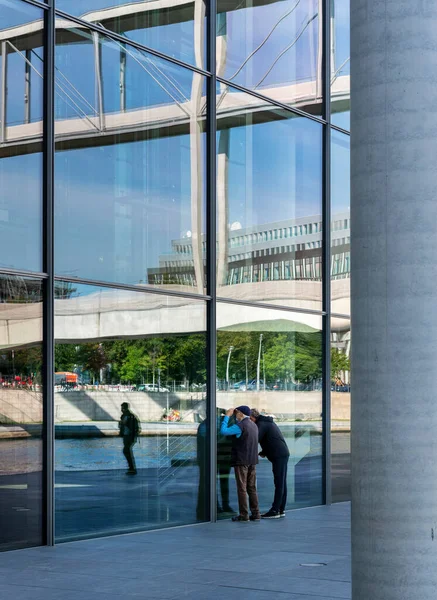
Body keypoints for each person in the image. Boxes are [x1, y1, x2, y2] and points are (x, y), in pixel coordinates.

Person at [220, 405, 260, 522]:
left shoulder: (240, 426)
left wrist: (226, 417)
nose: (235, 416)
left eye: (236, 413)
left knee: (241, 488)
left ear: (241, 414)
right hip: (252, 461)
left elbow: (224, 431)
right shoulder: (254, 425)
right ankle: (256, 513)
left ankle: (244, 515)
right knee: (251, 488)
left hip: (241, 461)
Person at [250, 408, 290, 518]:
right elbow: (271, 439)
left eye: (249, 420)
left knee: (279, 482)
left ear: (252, 418)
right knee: (281, 482)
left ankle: (275, 510)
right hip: (281, 453)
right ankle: (280, 509)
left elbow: (255, 438)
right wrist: (264, 451)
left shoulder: (261, 424)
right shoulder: (266, 422)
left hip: (279, 455)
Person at [119, 402, 141, 475]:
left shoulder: (129, 416)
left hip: (129, 436)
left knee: (126, 450)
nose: (121, 409)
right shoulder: (125, 416)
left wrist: (122, 424)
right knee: (127, 451)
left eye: (122, 408)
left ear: (124, 408)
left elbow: (128, 425)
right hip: (126, 436)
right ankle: (131, 468)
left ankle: (132, 468)